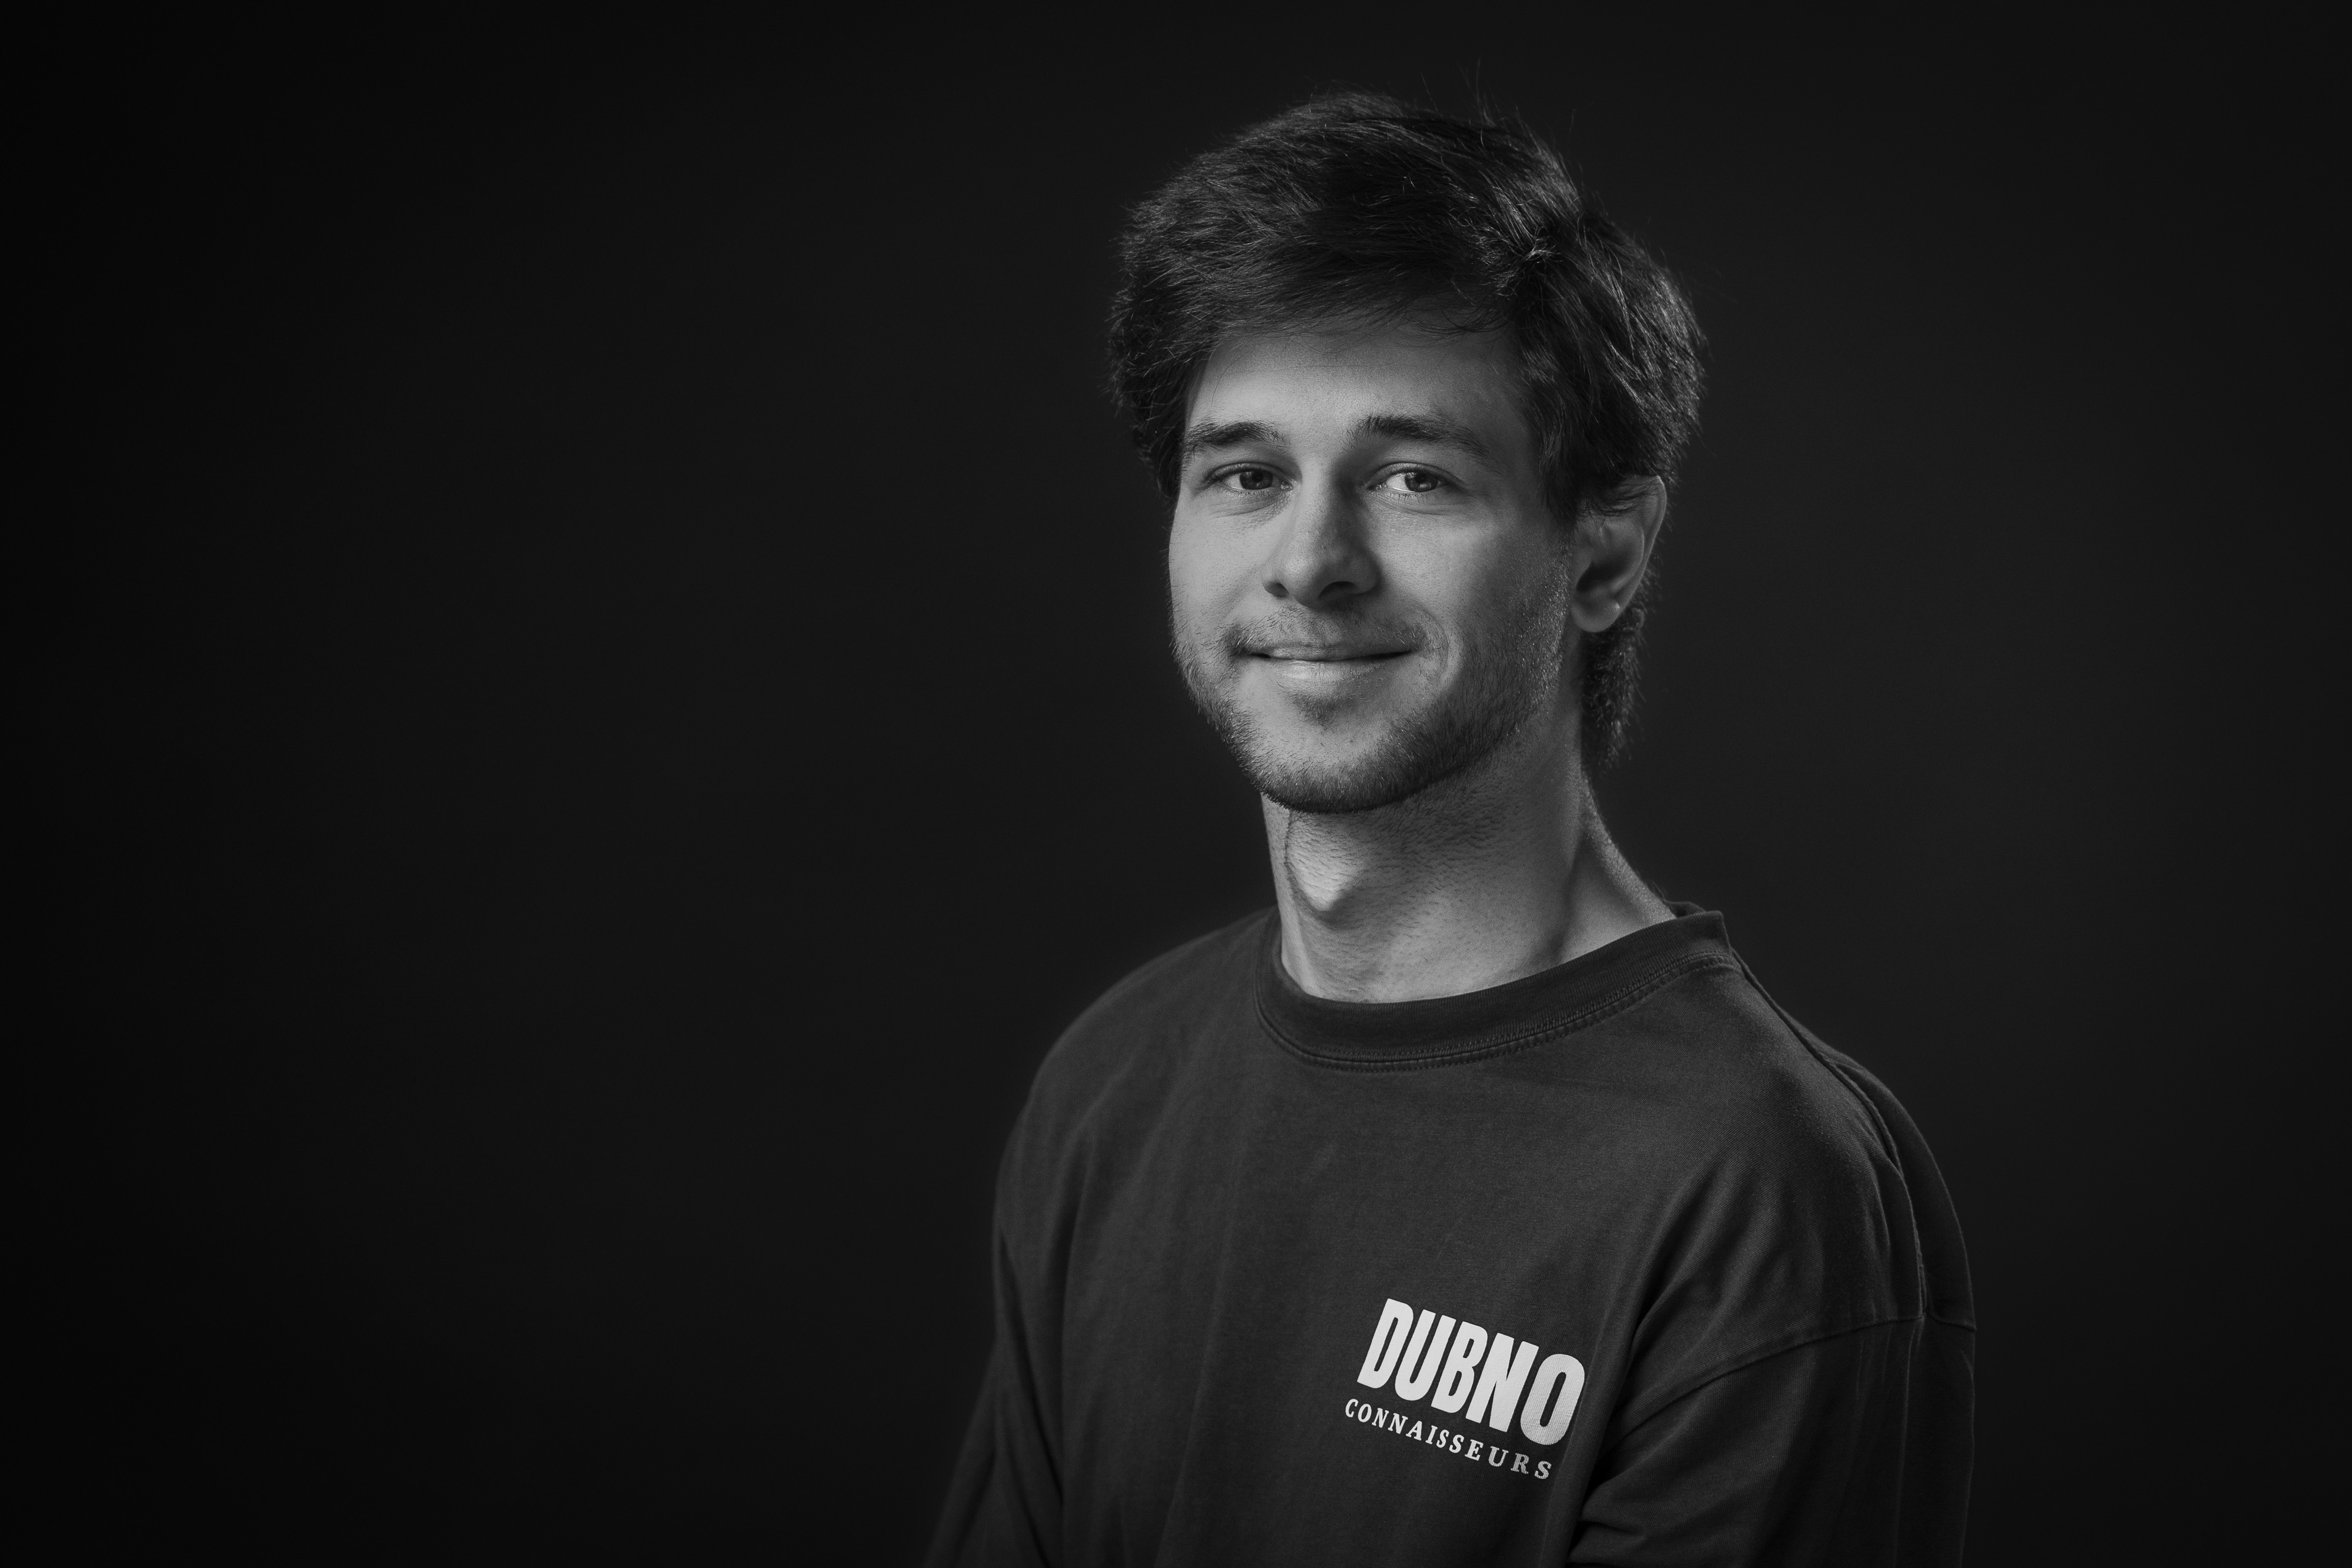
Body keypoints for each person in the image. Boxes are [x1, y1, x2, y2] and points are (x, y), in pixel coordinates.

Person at [926, 92, 1973, 1567]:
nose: (1310, 562)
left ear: (1603, 552)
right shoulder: (1113, 1077)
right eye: (1244, 474)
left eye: (1412, 476)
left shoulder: (1750, 1182)